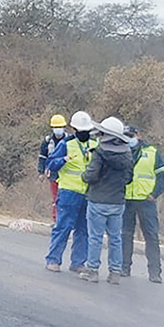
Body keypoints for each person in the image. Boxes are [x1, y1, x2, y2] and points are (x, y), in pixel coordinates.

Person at [80, 116, 135, 284]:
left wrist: (84, 175)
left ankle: (93, 270)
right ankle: (115, 272)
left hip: (98, 200)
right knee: (115, 238)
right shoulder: (127, 153)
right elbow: (129, 178)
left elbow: (90, 176)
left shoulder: (100, 153)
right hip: (117, 202)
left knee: (95, 237)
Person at [44, 111, 95, 273]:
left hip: (88, 194)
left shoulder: (95, 146)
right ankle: (53, 260)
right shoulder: (66, 144)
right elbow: (50, 164)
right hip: (68, 193)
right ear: (74, 130)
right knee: (63, 227)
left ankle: (78, 262)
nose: (84, 133)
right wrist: (62, 160)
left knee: (84, 230)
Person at [122, 125, 164, 283]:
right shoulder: (122, 151)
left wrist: (155, 194)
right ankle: (124, 267)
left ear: (138, 135)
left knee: (151, 236)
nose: (129, 139)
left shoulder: (152, 152)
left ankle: (155, 272)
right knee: (125, 235)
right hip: (127, 199)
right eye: (126, 136)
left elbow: (163, 174)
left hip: (146, 201)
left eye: (131, 135)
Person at [38, 114, 69, 223]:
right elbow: (42, 157)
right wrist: (41, 172)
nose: (58, 130)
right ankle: (56, 220)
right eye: (56, 127)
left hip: (66, 174)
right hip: (53, 174)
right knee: (56, 198)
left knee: (66, 198)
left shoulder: (70, 140)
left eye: (60, 127)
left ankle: (65, 220)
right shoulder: (47, 141)